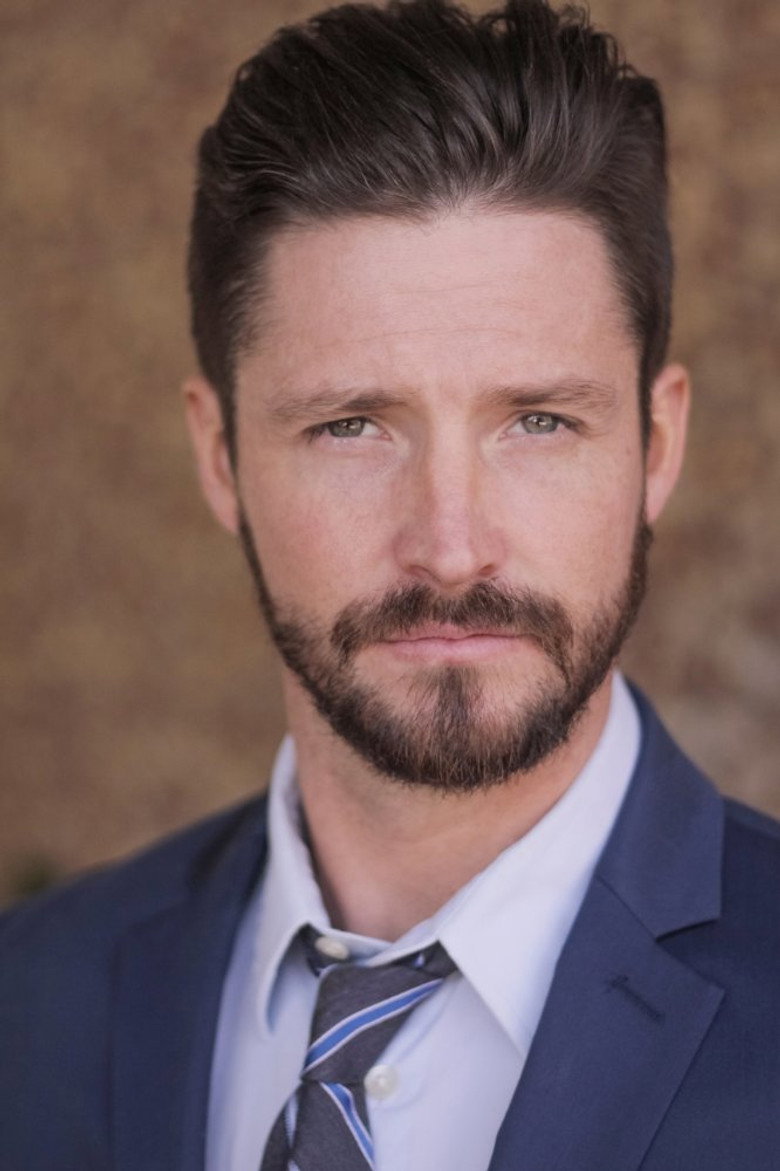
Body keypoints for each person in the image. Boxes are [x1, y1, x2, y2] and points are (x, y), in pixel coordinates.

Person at [2, 0, 779, 1167]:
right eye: (351, 425)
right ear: (221, 457)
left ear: (656, 446)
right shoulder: (27, 1003)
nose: (452, 547)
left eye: (539, 420)